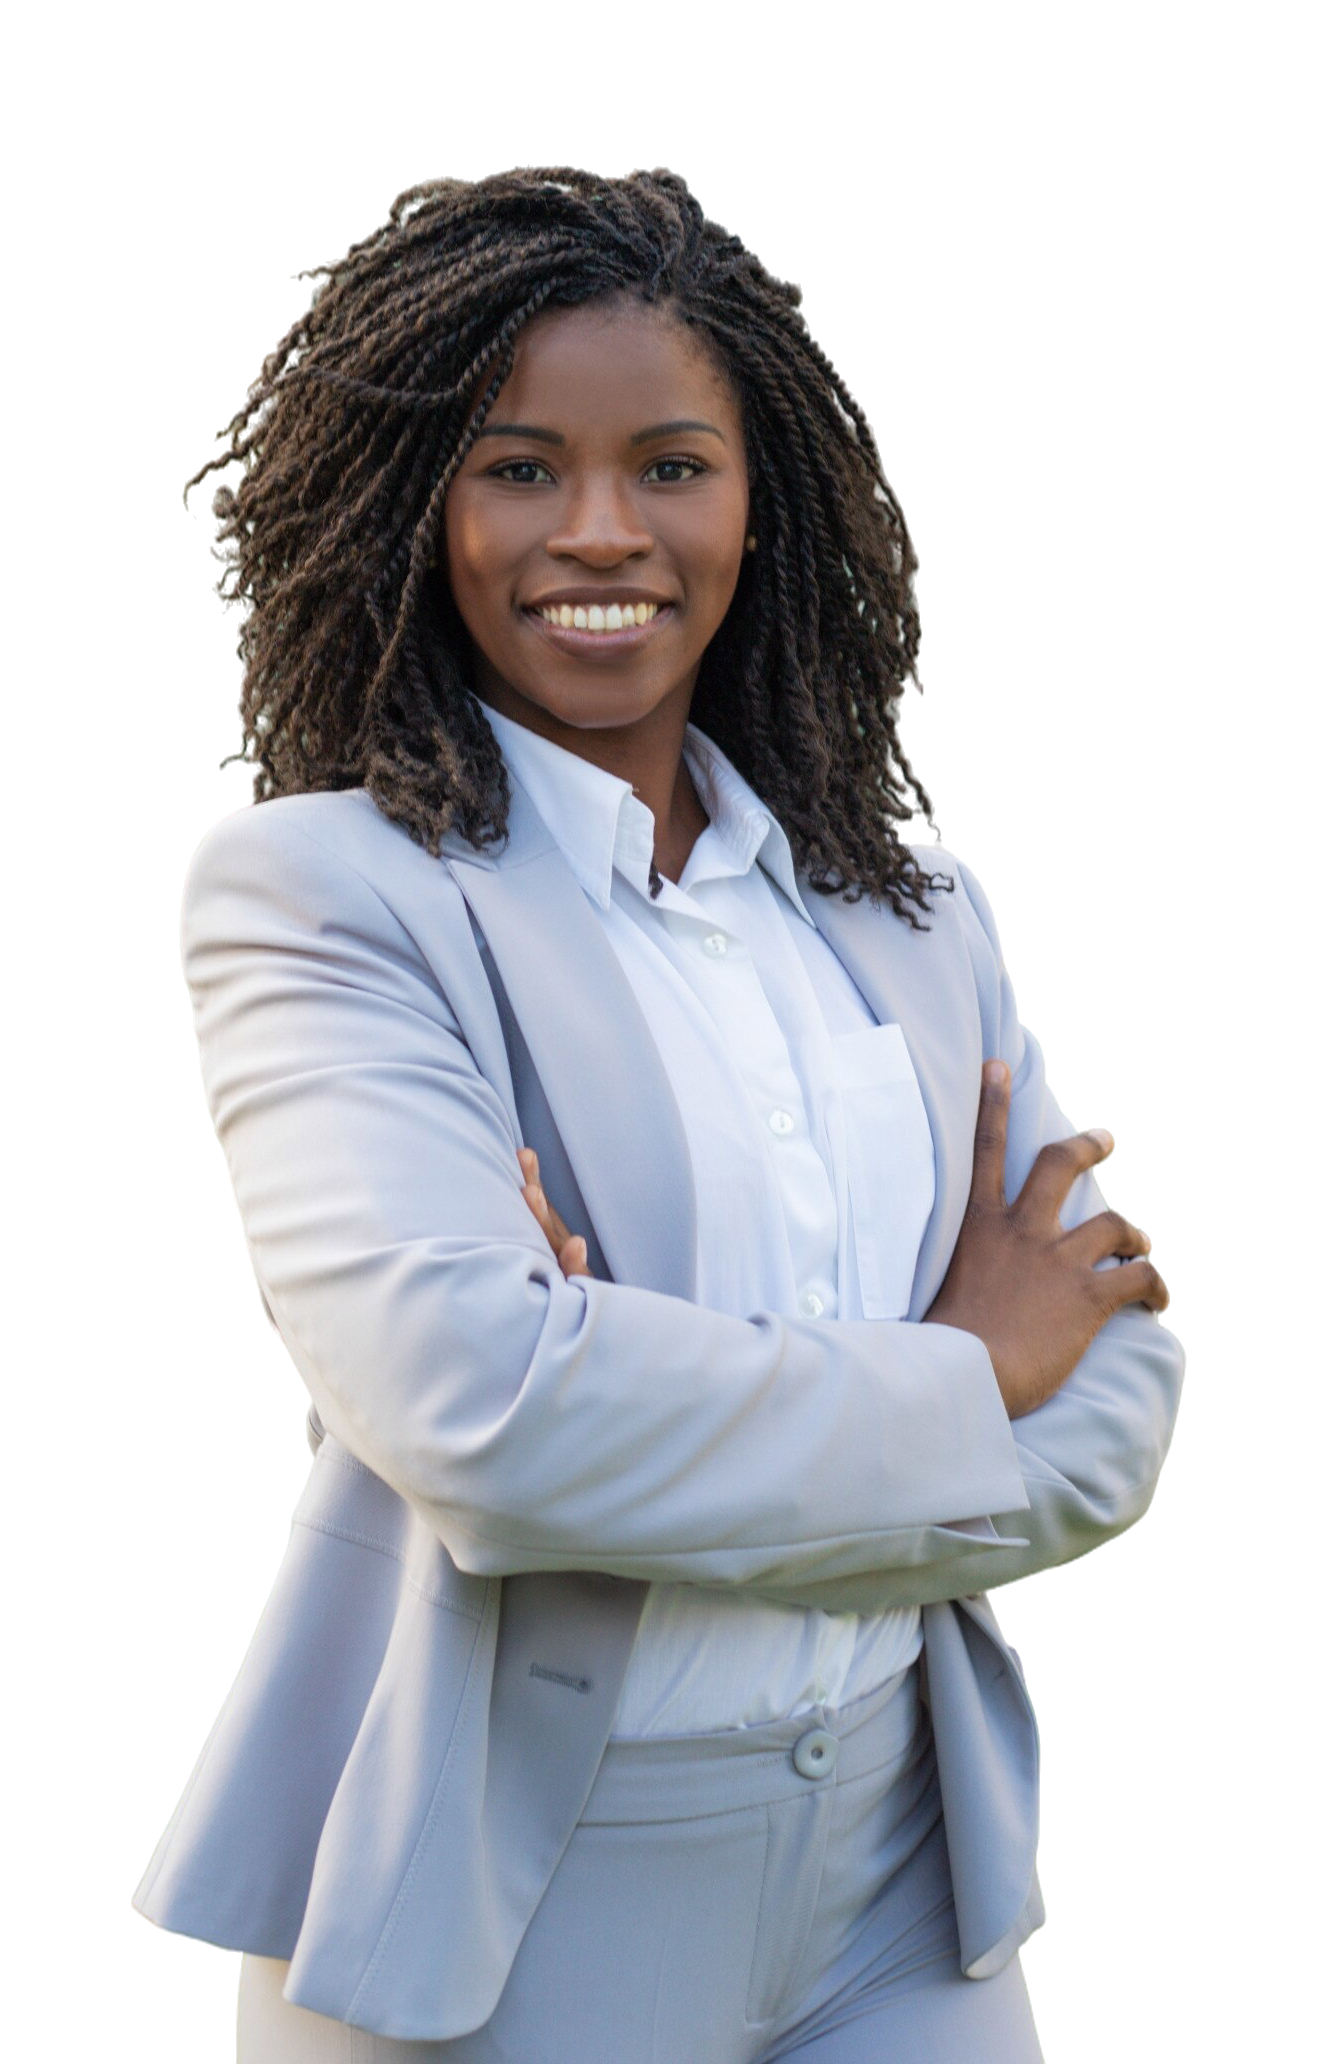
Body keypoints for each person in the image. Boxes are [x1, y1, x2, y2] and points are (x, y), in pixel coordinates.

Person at [131, 165, 1184, 2060]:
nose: (600, 530)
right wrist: (966, 1370)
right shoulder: (327, 892)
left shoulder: (917, 914)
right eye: (518, 467)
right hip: (507, 1896)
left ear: (760, 503)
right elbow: (484, 1412)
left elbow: (1115, 1396)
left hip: (900, 1882)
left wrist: (630, 1422)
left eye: (672, 465)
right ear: (417, 506)